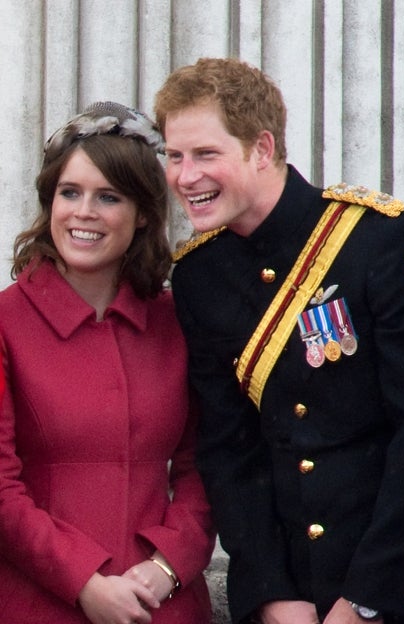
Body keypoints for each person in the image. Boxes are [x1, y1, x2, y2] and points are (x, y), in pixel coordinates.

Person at [154, 57, 404, 624]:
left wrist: (365, 600)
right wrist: (272, 595)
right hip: (292, 595)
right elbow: (229, 449)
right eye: (174, 156)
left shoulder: (383, 242)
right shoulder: (201, 275)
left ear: (260, 147)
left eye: (205, 154)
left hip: (402, 589)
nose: (184, 176)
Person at [0, 102, 215, 624]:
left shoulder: (179, 319)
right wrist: (83, 582)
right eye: (69, 193)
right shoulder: (6, 321)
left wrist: (169, 565)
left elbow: (207, 464)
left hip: (163, 604)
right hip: (41, 603)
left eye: (108, 197)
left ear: (143, 212)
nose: (83, 212)